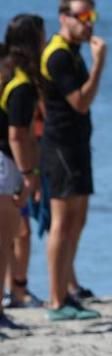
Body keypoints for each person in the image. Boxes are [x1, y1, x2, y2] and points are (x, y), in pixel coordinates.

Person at [39, 0, 104, 321]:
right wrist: (99, 64)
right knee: (62, 224)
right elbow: (80, 102)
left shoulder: (72, 49)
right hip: (60, 146)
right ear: (64, 18)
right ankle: (55, 299)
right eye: (83, 16)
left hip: (77, 145)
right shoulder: (59, 54)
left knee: (78, 221)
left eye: (93, 16)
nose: (90, 23)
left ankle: (66, 291)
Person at [0, 14, 45, 326]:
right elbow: (17, 134)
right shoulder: (21, 85)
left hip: (7, 163)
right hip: (6, 165)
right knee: (4, 240)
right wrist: (30, 175)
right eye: (42, 37)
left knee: (7, 238)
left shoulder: (9, 75)